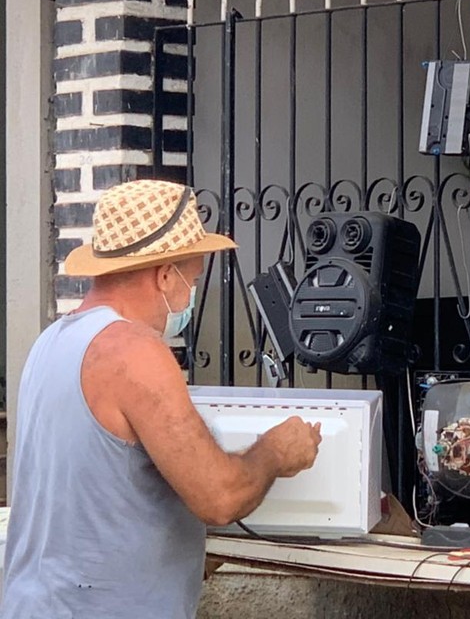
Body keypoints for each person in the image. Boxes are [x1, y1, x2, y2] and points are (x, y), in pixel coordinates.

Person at [1, 180, 323, 619]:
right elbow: (220, 498)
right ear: (165, 274)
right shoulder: (132, 350)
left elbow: (97, 491)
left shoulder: (51, 342)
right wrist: (275, 451)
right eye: (191, 278)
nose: (189, 296)